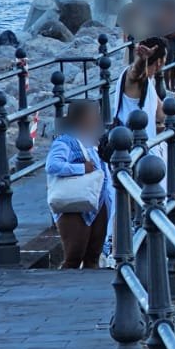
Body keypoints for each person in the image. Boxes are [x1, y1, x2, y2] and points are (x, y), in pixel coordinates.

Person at [116, 38, 175, 193]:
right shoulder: (133, 78)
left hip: (148, 149)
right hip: (134, 151)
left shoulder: (149, 82)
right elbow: (135, 73)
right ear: (160, 62)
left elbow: (163, 113)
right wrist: (141, 60)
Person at [46, 99, 114, 269]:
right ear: (82, 118)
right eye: (94, 114)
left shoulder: (94, 141)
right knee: (74, 257)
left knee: (93, 256)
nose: (98, 118)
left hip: (97, 201)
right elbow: (52, 165)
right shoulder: (65, 141)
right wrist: (81, 168)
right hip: (76, 204)